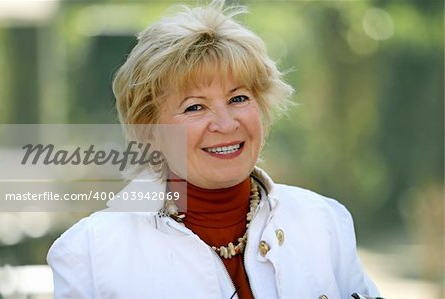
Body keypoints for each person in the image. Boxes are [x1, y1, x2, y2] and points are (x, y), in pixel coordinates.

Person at [47, 1, 381, 298]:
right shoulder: (89, 253)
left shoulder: (325, 222)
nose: (225, 123)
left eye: (238, 99)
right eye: (195, 107)